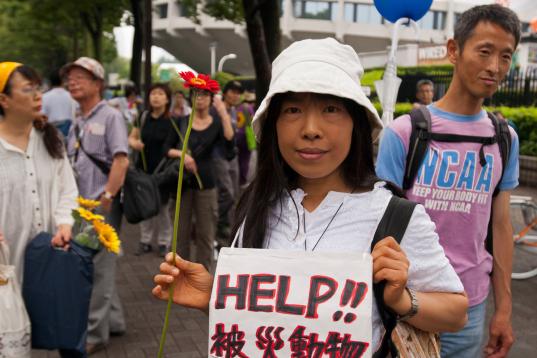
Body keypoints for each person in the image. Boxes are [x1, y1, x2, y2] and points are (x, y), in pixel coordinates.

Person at [152, 38, 468, 354]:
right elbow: (253, 326)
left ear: (355, 123)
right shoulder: (257, 207)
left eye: (331, 108)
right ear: (274, 124)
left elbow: (456, 313)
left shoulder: (395, 216)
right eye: (293, 109)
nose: (311, 129)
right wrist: (215, 296)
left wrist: (400, 299)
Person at [376, 5, 520, 358]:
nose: (494, 67)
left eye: (505, 56)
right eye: (484, 51)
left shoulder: (505, 138)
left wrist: (503, 311)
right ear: (454, 50)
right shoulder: (404, 134)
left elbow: (500, 228)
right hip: (407, 302)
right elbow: (376, 226)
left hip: (470, 308)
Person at [0, 62, 78, 356]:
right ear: (4, 100)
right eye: (27, 89)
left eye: (38, 88)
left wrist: (64, 223)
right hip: (5, 268)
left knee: (46, 338)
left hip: (45, 265)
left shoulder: (50, 138)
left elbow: (67, 190)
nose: (37, 95)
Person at [64, 57, 129, 354]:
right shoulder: (79, 120)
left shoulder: (110, 116)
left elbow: (121, 159)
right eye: (70, 78)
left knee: (98, 268)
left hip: (101, 205)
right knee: (98, 264)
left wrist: (108, 197)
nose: (72, 82)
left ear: (98, 84)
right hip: (82, 206)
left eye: (80, 77)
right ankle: (113, 322)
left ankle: (95, 333)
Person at [163, 88, 234, 271]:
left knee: (206, 234)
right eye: (196, 95)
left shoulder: (217, 123)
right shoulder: (182, 122)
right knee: (180, 234)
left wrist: (223, 113)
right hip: (183, 184)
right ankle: (180, 275)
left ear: (211, 99)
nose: (199, 99)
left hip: (207, 184)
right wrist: (183, 155)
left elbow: (229, 144)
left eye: (204, 95)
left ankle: (203, 277)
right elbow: (166, 148)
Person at [129, 83, 173, 257]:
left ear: (167, 99)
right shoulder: (143, 116)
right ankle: (145, 241)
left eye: (160, 93)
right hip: (143, 170)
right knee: (145, 206)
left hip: (162, 173)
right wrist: (135, 144)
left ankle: (164, 242)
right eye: (153, 93)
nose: (155, 96)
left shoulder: (172, 121)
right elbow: (131, 137)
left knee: (163, 210)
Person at [214, 80, 242, 241]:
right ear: (225, 93)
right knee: (228, 193)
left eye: (238, 92)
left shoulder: (233, 111)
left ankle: (226, 225)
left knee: (235, 194)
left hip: (232, 156)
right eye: (232, 91)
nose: (235, 95)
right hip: (218, 156)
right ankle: (215, 222)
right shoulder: (217, 109)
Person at [42, 68, 77, 137]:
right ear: (63, 80)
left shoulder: (44, 97)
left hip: (51, 134)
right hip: (69, 134)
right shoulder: (72, 96)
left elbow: (42, 116)